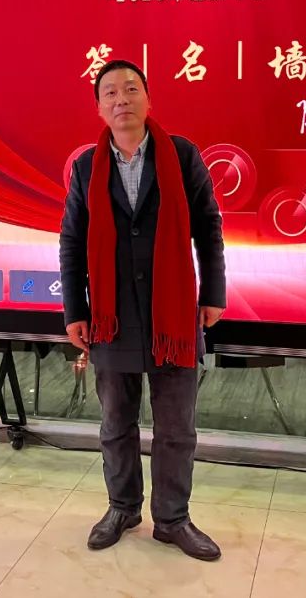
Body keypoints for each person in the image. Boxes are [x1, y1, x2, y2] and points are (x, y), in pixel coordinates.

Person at [59, 59, 226, 561]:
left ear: (149, 99)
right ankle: (123, 507)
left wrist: (213, 293)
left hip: (172, 316)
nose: (121, 99)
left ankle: (172, 519)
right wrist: (75, 309)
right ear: (99, 107)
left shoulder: (182, 155)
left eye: (131, 89)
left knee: (176, 428)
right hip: (112, 316)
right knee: (116, 423)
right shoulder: (87, 167)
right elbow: (72, 241)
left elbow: (208, 227)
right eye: (110, 92)